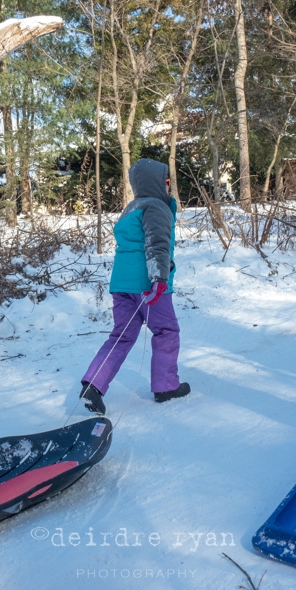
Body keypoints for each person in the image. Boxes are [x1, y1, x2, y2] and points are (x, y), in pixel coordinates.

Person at [79, 159, 190, 416]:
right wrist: (159, 279)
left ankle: (93, 384)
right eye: (166, 181)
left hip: (121, 284)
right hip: (147, 284)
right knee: (166, 330)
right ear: (159, 182)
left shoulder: (131, 208)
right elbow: (157, 244)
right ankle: (165, 387)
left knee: (122, 335)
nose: (168, 185)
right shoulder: (156, 207)